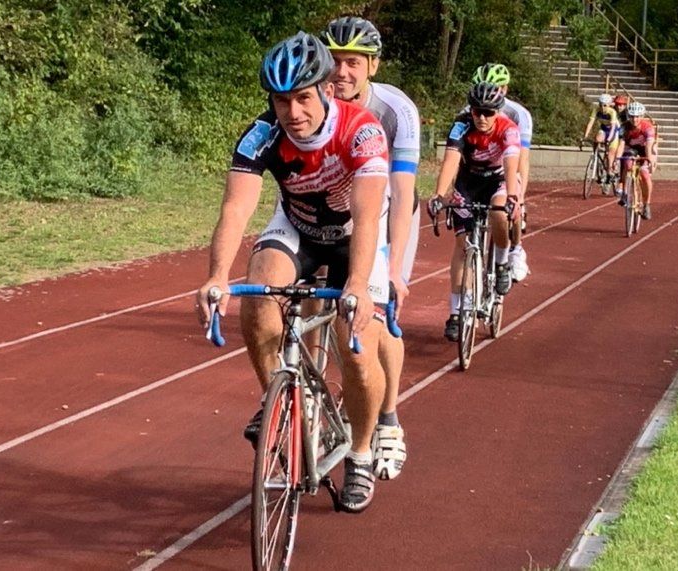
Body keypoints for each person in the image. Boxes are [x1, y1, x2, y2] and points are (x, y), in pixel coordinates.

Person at [194, 31, 390, 513]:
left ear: (326, 90)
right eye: (281, 101)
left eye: (302, 98)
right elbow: (236, 209)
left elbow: (367, 218)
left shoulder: (361, 131)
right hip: (297, 225)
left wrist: (359, 288)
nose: (293, 113)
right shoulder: (261, 135)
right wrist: (217, 276)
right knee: (259, 292)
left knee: (357, 351)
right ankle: (278, 400)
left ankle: (361, 453)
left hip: (353, 236)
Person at [321, 16, 420, 482]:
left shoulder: (395, 110)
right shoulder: (309, 100)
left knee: (375, 320)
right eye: (335, 60)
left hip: (383, 215)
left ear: (372, 66)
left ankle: (388, 419)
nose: (341, 72)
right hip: (329, 214)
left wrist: (395, 267)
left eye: (353, 63)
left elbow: (400, 196)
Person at [429, 82, 521, 342]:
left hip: (498, 180)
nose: (482, 117)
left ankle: (502, 263)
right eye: (477, 111)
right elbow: (451, 161)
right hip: (468, 182)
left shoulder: (508, 130)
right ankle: (457, 312)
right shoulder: (461, 126)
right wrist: (438, 195)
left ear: (498, 112)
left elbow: (511, 164)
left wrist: (513, 197)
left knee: (499, 214)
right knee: (462, 244)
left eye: (488, 113)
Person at [471, 63, 533, 283]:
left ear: (504, 89)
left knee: (508, 207)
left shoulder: (519, 115)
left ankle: (516, 250)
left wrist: (519, 198)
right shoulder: (472, 111)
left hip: (506, 168)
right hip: (478, 170)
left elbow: (521, 160)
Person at [619, 101, 658, 220]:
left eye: (637, 116)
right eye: (631, 116)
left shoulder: (648, 127)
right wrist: (616, 159)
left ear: (642, 116)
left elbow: (649, 146)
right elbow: (621, 145)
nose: (634, 119)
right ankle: (625, 193)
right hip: (630, 149)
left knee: (645, 175)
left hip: (645, 149)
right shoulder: (624, 127)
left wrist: (650, 160)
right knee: (627, 164)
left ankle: (647, 204)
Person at [582, 93, 620, 192]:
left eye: (605, 105)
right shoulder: (596, 110)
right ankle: (595, 155)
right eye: (600, 105)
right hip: (603, 129)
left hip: (613, 131)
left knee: (610, 156)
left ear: (609, 105)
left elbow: (612, 129)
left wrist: (609, 140)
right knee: (597, 139)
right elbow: (591, 123)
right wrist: (585, 136)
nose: (602, 107)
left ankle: (609, 176)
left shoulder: (612, 112)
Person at [612, 94, 630, 197]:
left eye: (622, 105)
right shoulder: (612, 110)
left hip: (623, 135)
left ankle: (621, 183)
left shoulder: (626, 115)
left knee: (623, 158)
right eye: (618, 105)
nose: (619, 107)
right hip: (613, 133)